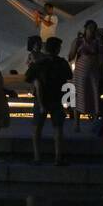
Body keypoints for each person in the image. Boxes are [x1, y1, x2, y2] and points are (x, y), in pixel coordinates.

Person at [25, 36, 72, 166]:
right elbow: (69, 76)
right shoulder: (62, 63)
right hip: (56, 99)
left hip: (41, 99)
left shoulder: (40, 63)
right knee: (58, 128)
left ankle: (37, 156)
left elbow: (28, 77)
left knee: (37, 128)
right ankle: (58, 157)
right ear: (57, 49)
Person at [68, 21, 103, 132]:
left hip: (93, 72)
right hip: (80, 73)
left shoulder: (97, 41)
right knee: (78, 95)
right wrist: (75, 46)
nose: (92, 30)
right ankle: (76, 123)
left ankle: (94, 122)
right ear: (85, 28)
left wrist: (101, 39)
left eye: (94, 28)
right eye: (90, 28)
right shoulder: (78, 41)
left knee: (93, 95)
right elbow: (71, 56)